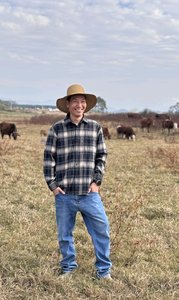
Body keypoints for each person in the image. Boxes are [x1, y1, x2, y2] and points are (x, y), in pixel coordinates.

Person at [43, 84, 112, 279]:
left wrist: (96, 182)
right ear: (67, 104)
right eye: (75, 101)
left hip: (89, 193)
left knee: (102, 231)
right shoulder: (57, 129)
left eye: (82, 101)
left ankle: (103, 271)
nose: (79, 105)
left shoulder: (95, 128)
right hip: (64, 194)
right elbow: (49, 159)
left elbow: (102, 155)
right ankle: (68, 267)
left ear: (86, 106)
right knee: (65, 235)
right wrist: (53, 186)